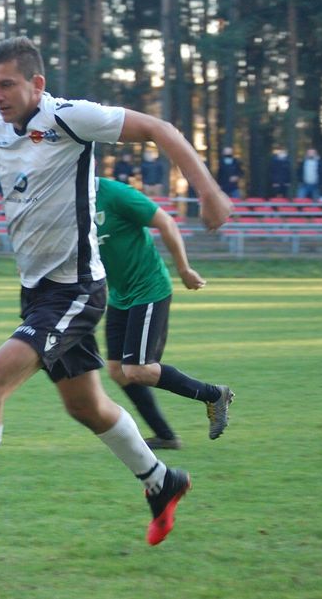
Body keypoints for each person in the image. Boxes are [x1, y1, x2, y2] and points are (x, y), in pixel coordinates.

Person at [0, 37, 231, 555]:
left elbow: (159, 129)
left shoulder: (70, 118)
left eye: (7, 84)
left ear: (36, 84)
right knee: (87, 407)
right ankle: (161, 481)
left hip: (77, 290)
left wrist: (209, 191)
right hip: (37, 294)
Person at [95, 176, 233, 450]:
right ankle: (166, 436)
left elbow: (166, 222)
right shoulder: (68, 201)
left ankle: (214, 394)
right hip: (120, 295)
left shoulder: (115, 194)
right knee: (118, 371)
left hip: (149, 288)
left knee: (138, 369)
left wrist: (184, 270)